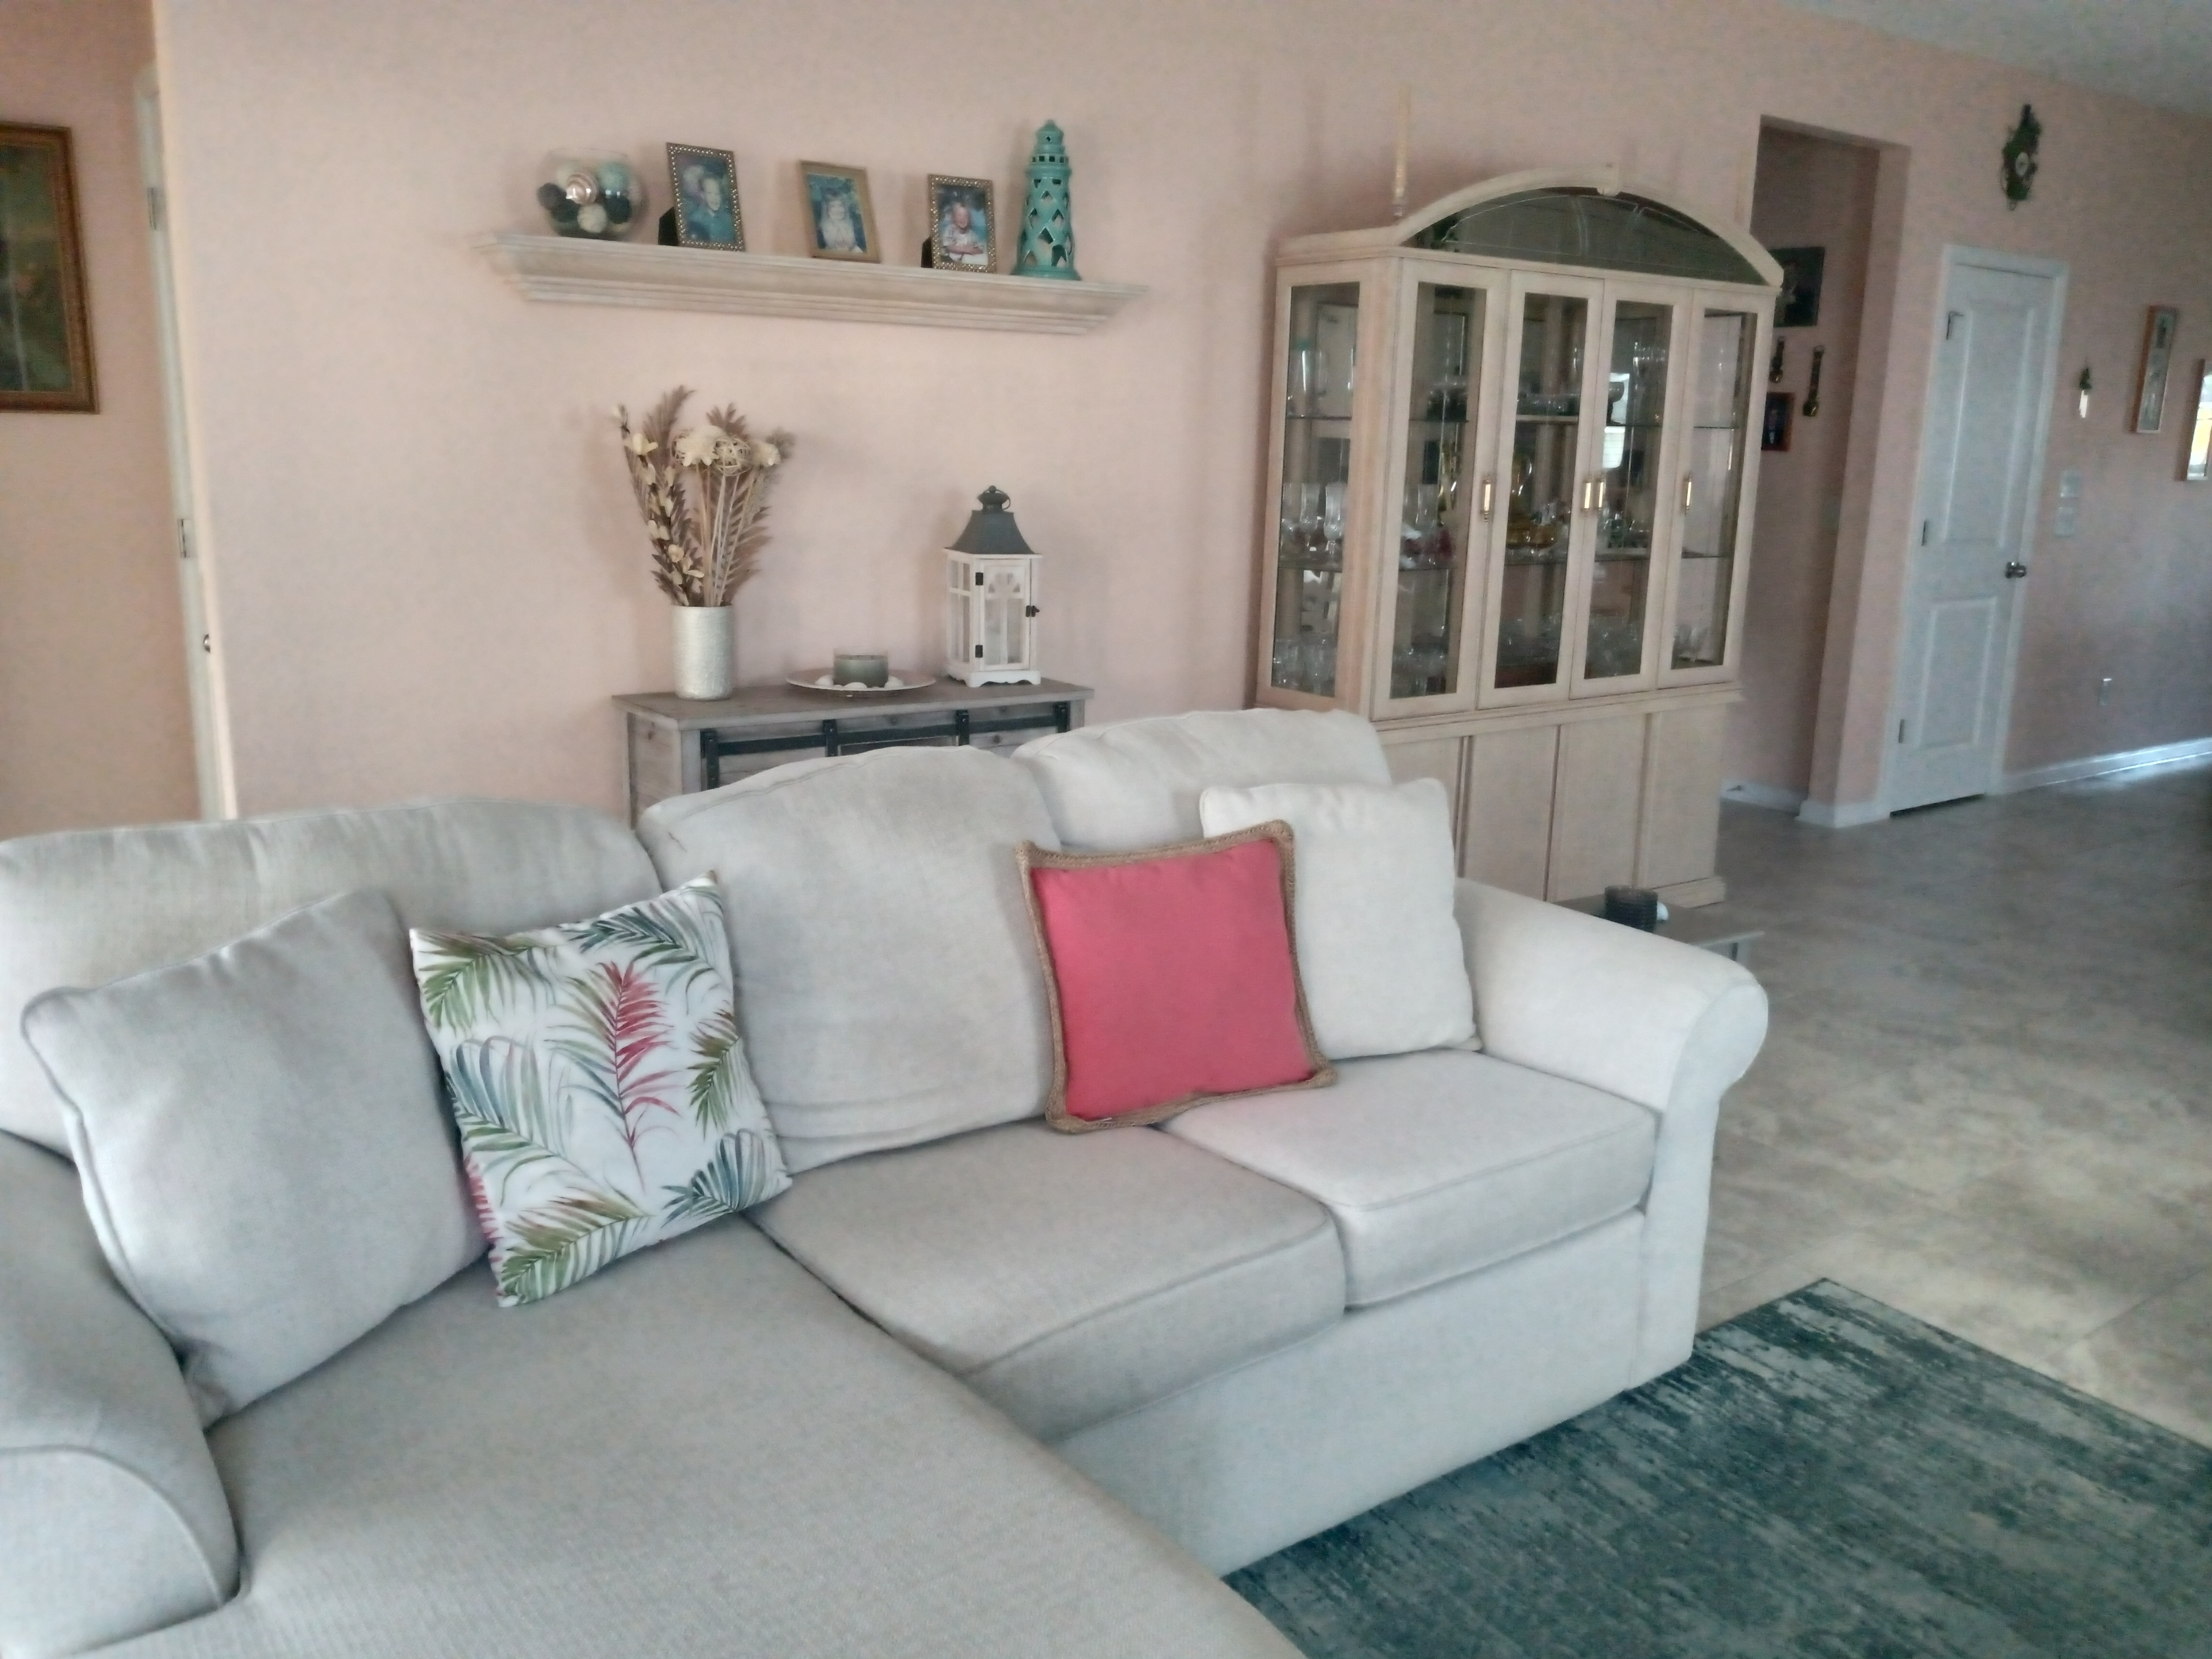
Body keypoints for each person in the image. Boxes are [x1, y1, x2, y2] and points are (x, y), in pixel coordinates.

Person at [679, 162, 737, 245]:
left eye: (717, 194)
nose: (715, 199)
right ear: (703, 195)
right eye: (710, 193)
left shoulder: (729, 220)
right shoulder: (695, 220)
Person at [938, 196, 987, 268]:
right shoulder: (950, 230)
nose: (963, 219)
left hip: (963, 263)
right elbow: (949, 247)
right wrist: (966, 249)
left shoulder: (972, 235)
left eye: (966, 216)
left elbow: (980, 249)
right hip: (949, 260)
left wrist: (974, 251)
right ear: (954, 218)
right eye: (959, 215)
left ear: (969, 219)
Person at [815, 183, 862, 253]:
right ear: (827, 210)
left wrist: (841, 225)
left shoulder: (852, 223)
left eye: (841, 206)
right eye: (833, 207)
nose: (838, 210)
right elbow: (831, 245)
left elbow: (851, 244)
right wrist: (836, 223)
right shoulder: (824, 225)